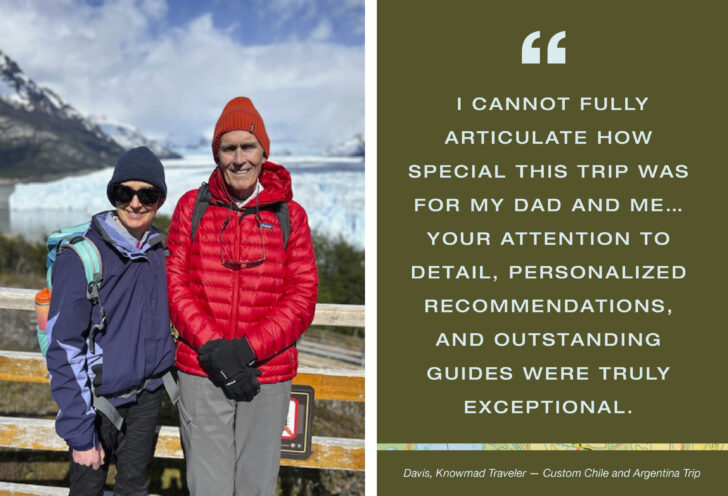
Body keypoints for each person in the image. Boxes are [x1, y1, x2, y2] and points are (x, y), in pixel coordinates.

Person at [167, 96, 318, 495]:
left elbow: (302, 297)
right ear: (217, 155)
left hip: (266, 373)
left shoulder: (290, 215)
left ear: (263, 152)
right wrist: (216, 348)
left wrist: (246, 350)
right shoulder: (191, 207)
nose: (239, 158)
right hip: (203, 370)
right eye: (228, 148)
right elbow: (175, 284)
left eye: (247, 146)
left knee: (256, 485)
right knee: (208, 486)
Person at [45, 146, 176, 496]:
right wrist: (79, 431)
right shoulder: (83, 258)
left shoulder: (160, 252)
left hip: (147, 396)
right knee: (88, 486)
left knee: (133, 485)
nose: (135, 203)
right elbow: (63, 347)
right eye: (124, 193)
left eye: (146, 194)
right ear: (113, 195)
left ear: (159, 199)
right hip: (98, 401)